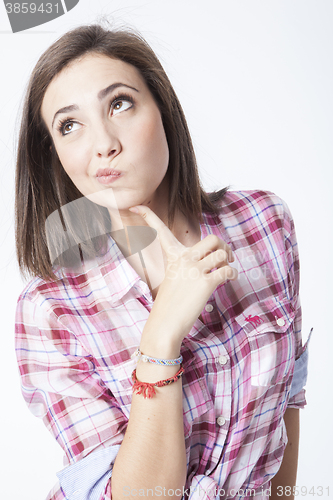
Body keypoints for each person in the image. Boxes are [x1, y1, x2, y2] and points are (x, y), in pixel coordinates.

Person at [14, 22, 312, 500]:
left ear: (163, 109)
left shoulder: (264, 223)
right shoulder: (50, 310)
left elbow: (288, 400)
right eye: (70, 125)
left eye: (120, 103)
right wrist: (160, 338)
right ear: (57, 158)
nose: (103, 144)